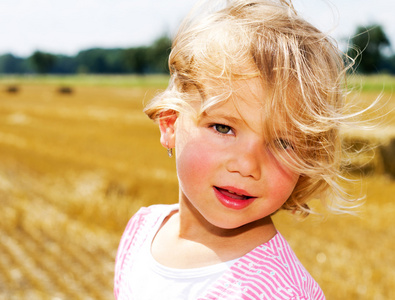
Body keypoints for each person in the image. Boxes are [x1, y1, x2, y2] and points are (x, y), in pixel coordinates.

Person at [114, 0, 358, 298]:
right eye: (223, 128)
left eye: (282, 142)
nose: (247, 165)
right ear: (170, 123)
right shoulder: (142, 230)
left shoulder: (279, 292)